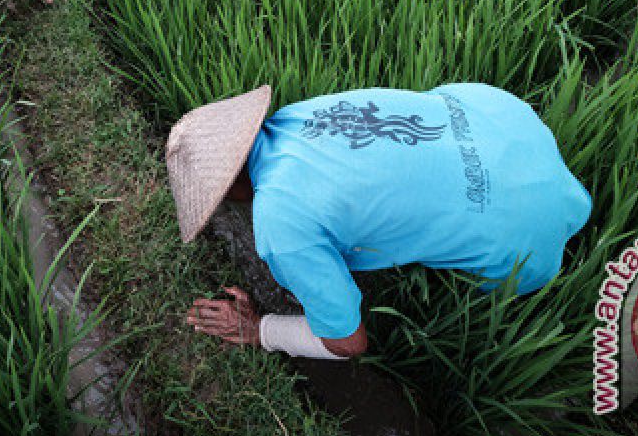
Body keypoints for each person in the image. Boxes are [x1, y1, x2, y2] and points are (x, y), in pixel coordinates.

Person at [166, 83, 592, 360]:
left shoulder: (280, 226)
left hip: (528, 239)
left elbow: (348, 344)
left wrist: (261, 329)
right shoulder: (297, 116)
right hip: (508, 121)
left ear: (225, 190)